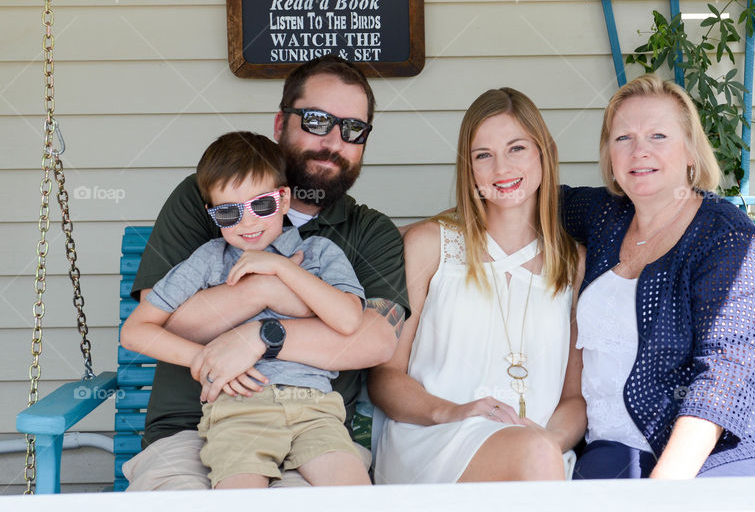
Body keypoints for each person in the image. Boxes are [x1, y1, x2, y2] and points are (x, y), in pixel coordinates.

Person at [123, 56, 409, 490]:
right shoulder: (208, 196)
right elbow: (173, 324)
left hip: (314, 425)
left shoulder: (368, 232)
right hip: (190, 426)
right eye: (317, 120)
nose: (334, 140)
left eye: (353, 129)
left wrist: (259, 335)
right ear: (281, 123)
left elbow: (372, 338)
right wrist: (264, 291)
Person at [562, 73, 755, 479]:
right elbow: (531, 197)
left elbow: (724, 375)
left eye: (658, 136)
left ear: (690, 151)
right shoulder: (604, 214)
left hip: (743, 445)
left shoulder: (726, 237)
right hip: (625, 442)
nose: (639, 151)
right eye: (623, 138)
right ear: (609, 157)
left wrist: (663, 488)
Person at [369, 88, 586, 484]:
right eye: (483, 155)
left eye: (516, 148)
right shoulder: (431, 245)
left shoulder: (572, 263)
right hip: (434, 438)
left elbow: (574, 399)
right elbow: (386, 376)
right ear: (468, 169)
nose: (501, 169)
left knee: (538, 459)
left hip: (536, 453)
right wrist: (450, 411)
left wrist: (547, 440)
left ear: (545, 152)